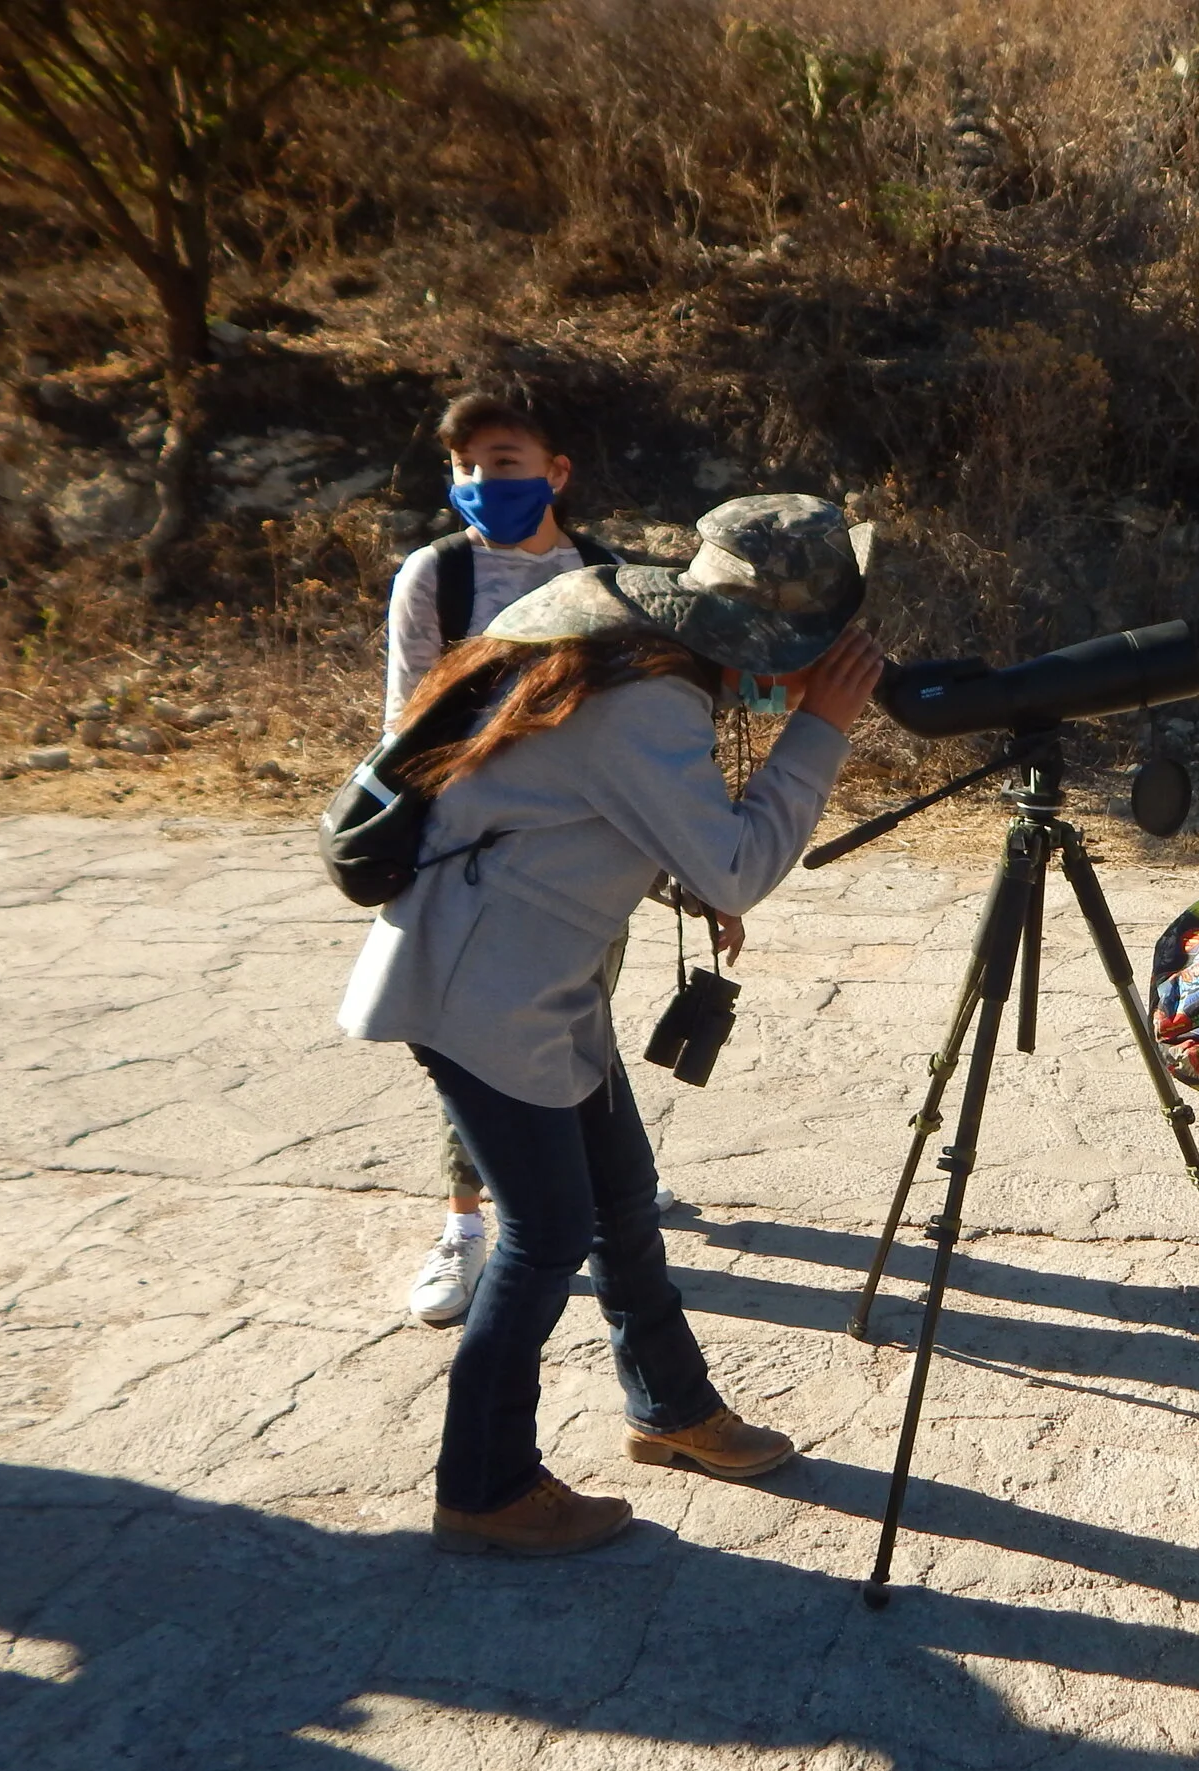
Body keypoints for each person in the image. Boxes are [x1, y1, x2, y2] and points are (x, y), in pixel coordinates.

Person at [337, 507, 885, 1557]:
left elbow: (577, 811)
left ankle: (671, 1410)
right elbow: (735, 865)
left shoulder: (626, 644)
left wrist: (689, 862)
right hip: (481, 992)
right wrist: (820, 725)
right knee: (543, 1238)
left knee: (619, 1202)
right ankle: (483, 1485)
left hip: (531, 972)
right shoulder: (643, 699)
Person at [384, 391, 626, 1328]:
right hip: (466, 858)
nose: (485, 483)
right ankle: (466, 1223)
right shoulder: (435, 577)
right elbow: (403, 725)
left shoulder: (607, 576)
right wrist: (409, 851)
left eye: (506, 462)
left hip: (586, 853)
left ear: (557, 471)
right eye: (468, 468)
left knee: (578, 1023)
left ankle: (593, 1187)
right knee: (476, 1043)